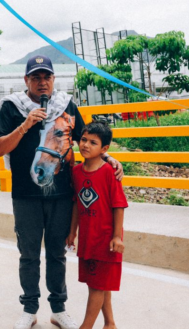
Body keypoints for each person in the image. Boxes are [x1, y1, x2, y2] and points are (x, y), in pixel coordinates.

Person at [0, 55, 122, 329]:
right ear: (26, 80)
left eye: (47, 77)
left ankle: (58, 308)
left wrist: (109, 159)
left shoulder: (67, 106)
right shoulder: (12, 107)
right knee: (28, 254)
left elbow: (88, 143)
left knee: (57, 253)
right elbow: (0, 148)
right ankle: (29, 309)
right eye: (36, 78)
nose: (42, 83)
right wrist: (25, 124)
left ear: (53, 79)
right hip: (26, 194)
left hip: (62, 194)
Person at [66, 122, 127, 329]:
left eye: (93, 142)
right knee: (99, 283)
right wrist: (72, 232)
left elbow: (118, 205)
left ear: (104, 149)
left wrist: (117, 236)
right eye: (84, 140)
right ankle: (110, 324)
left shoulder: (110, 172)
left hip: (105, 240)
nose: (86, 145)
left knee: (96, 287)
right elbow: (76, 202)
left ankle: (86, 326)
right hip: (87, 238)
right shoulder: (76, 172)